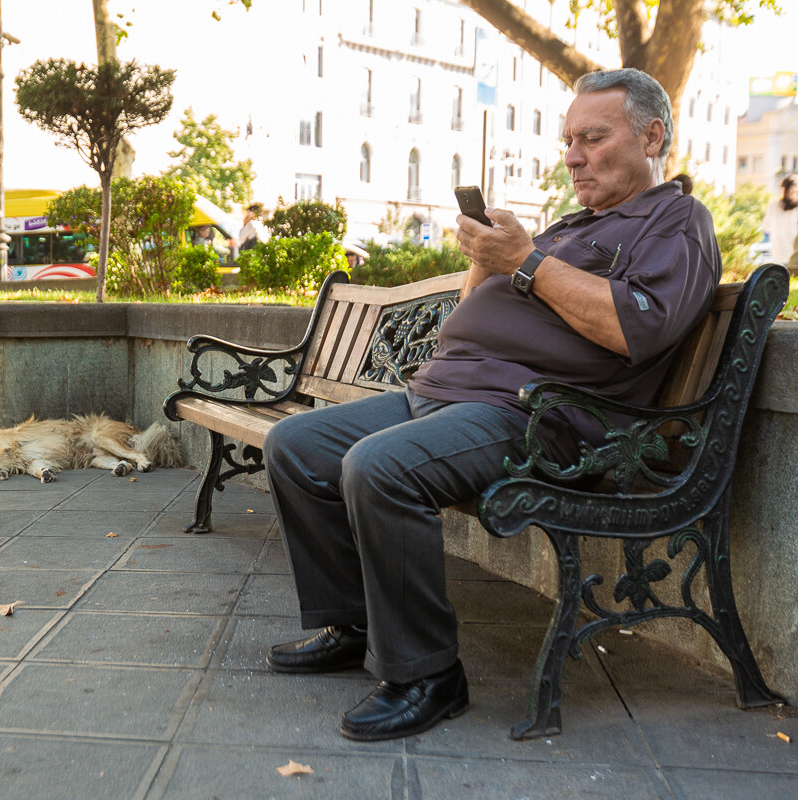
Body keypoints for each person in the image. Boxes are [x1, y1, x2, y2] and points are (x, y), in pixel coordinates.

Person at [262, 68, 721, 742]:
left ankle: (428, 676)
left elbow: (637, 327)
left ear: (652, 136)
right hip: (445, 394)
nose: (572, 156)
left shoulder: (675, 223)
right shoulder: (573, 226)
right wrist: (488, 257)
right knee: (295, 447)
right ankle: (354, 626)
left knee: (379, 468)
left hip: (541, 417)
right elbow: (475, 307)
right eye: (569, 140)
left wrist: (527, 261)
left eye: (593, 138)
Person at [761, 174, 798, 266]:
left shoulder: (773, 206)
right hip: (781, 254)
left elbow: (766, 228)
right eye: (792, 191)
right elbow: (766, 227)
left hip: (787, 254)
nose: (793, 195)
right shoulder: (774, 206)